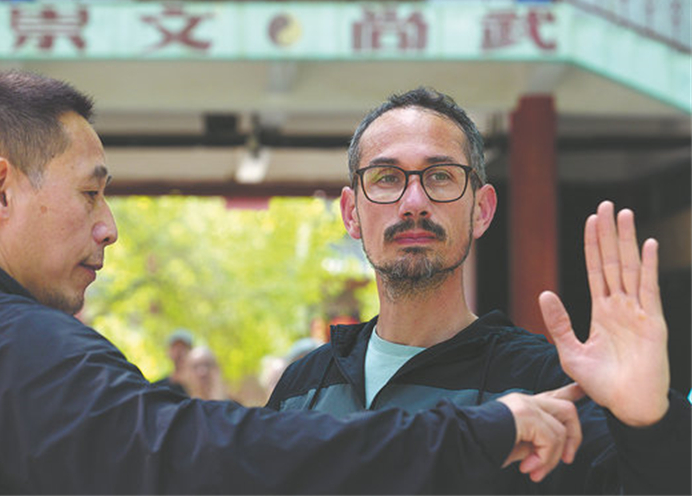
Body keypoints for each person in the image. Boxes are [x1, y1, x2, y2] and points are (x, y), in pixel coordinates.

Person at [0, 71, 587, 494]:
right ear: (1, 189)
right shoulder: (15, 348)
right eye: (90, 194)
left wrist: (654, 415)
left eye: (440, 178)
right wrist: (483, 432)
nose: (108, 228)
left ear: (481, 206)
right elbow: (216, 459)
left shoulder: (541, 373)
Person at [267, 87, 691, 494]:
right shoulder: (303, 387)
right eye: (385, 178)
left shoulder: (543, 384)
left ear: (482, 210)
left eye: (440, 176)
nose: (414, 201)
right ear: (351, 213)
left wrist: (650, 424)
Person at [153, 328, 194, 394]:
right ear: (168, 351)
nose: (179, 351)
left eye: (184, 347)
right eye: (176, 347)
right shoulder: (159, 387)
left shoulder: (200, 386)